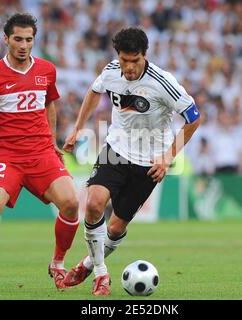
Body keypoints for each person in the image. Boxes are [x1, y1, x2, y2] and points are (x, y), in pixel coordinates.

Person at [62, 27, 201, 295]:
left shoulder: (163, 82)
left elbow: (193, 118)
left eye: (134, 61)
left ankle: (89, 262)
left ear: (144, 56)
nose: (128, 67)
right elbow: (94, 91)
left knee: (115, 228)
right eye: (124, 60)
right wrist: (78, 127)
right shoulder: (111, 71)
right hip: (116, 149)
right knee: (92, 205)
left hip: (149, 162)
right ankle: (102, 275)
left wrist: (168, 157)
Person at [0, 13, 79, 290]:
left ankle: (58, 264)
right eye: (18, 39)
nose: (24, 45)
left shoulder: (47, 70)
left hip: (41, 154)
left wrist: (51, 140)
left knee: (72, 204)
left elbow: (49, 104)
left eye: (29, 40)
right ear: (6, 39)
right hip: (6, 156)